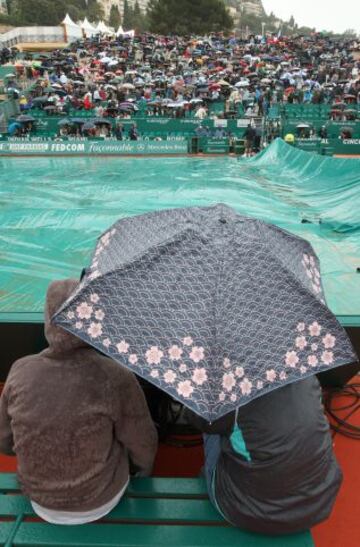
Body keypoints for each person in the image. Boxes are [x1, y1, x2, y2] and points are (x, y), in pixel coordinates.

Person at [0, 279, 158, 525]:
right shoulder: (115, 375)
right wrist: (142, 472)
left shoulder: (20, 370)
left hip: (40, 500)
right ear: (94, 320)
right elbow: (144, 446)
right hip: (100, 500)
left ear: (48, 319)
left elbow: (6, 443)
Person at [186, 376, 342, 535]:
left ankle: (209, 476)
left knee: (212, 428)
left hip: (246, 512)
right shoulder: (307, 376)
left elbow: (196, 417)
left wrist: (204, 391)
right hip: (317, 504)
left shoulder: (233, 393)